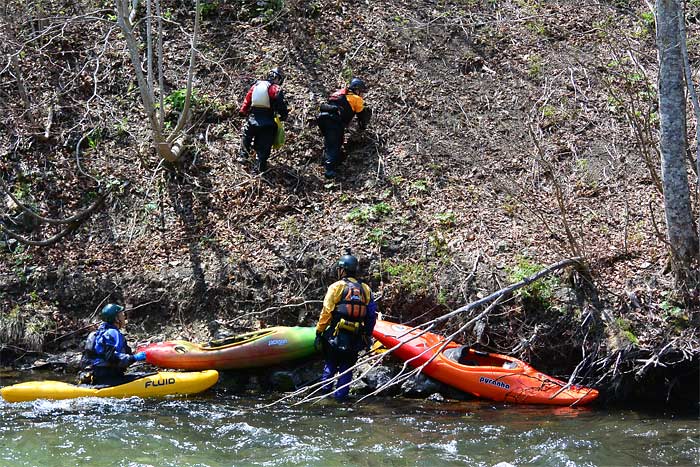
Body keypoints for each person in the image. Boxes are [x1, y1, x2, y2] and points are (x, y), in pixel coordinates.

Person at [315, 249, 377, 401]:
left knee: (330, 364)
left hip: (335, 336)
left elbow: (326, 312)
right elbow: (371, 315)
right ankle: (340, 399)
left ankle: (325, 396)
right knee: (347, 367)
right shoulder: (366, 289)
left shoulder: (336, 287)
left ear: (342, 270)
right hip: (355, 338)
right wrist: (367, 335)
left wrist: (319, 332)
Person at [79, 303, 146, 386]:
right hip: (110, 377)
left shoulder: (97, 333)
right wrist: (134, 358)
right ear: (116, 319)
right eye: (121, 314)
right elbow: (113, 357)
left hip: (97, 375)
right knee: (142, 375)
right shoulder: (113, 333)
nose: (124, 316)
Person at [317, 77, 372, 179]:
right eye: (362, 92)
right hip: (334, 122)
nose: (362, 95)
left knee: (330, 142)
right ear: (356, 89)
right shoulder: (356, 99)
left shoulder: (339, 94)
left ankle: (328, 162)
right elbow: (362, 115)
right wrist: (363, 126)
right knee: (335, 144)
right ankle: (329, 172)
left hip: (323, 119)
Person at [238, 67, 289, 173]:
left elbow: (247, 100)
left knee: (247, 137)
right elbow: (281, 104)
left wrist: (243, 111)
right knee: (265, 145)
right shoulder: (275, 88)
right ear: (278, 79)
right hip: (268, 122)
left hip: (253, 119)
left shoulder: (256, 86)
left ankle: (243, 157)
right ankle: (260, 167)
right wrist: (283, 116)